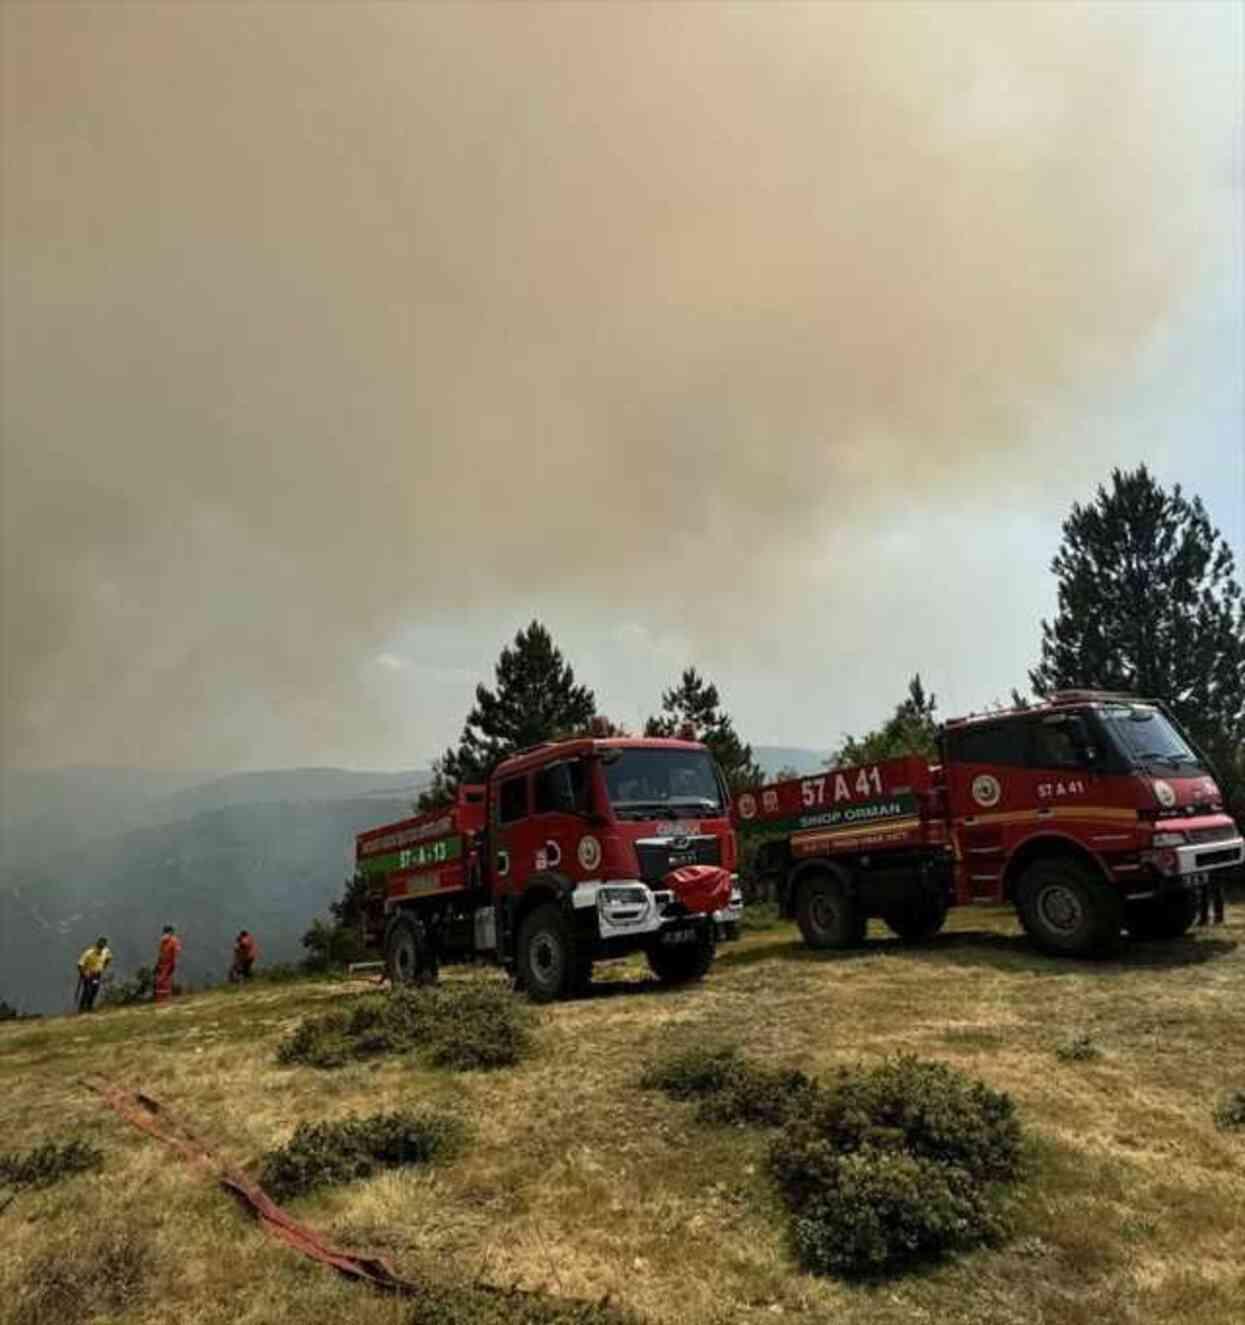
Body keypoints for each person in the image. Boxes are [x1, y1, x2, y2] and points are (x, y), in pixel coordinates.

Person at [76, 937, 112, 1012]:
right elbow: (80, 964)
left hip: (97, 975)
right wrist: (84, 973)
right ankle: (81, 1009)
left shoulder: (106, 951)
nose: (100, 948)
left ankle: (89, 1007)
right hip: (88, 974)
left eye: (102, 946)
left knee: (94, 990)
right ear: (97, 945)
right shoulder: (89, 952)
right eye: (99, 946)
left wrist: (103, 967)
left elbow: (109, 958)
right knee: (87, 991)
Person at [153, 925, 182, 1004]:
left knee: (161, 981)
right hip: (169, 963)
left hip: (163, 963)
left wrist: (157, 964)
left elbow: (161, 953)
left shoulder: (163, 941)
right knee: (166, 981)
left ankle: (160, 1000)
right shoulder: (174, 940)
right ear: (171, 931)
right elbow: (177, 951)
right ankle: (165, 999)